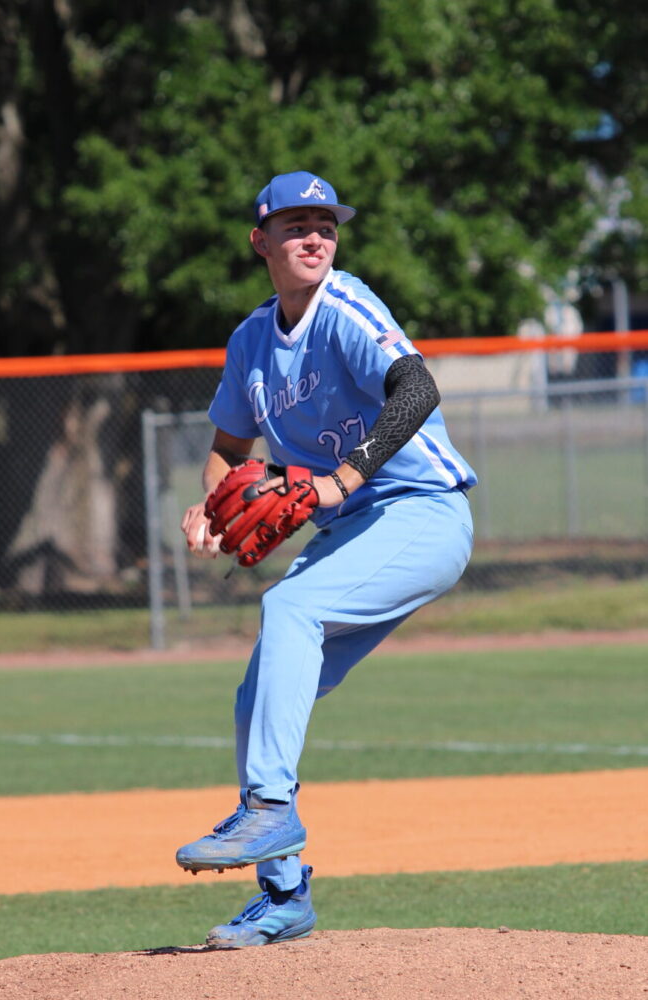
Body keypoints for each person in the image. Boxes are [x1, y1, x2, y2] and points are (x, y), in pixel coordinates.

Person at [176, 170, 477, 948]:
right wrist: (209, 510)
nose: (315, 238)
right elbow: (226, 451)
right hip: (352, 534)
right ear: (261, 241)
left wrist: (343, 476)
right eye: (296, 225)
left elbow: (418, 387)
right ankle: (283, 895)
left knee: (288, 607)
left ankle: (268, 811)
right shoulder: (250, 340)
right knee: (257, 694)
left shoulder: (345, 307)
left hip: (420, 515)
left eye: (327, 225)